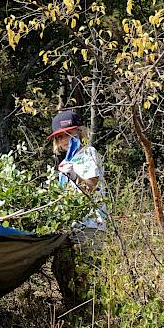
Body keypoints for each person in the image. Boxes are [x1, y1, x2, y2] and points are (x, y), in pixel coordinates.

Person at [46, 109, 108, 307]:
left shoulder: (88, 153)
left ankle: (90, 313)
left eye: (70, 134)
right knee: (61, 268)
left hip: (90, 224)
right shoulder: (65, 162)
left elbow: (91, 186)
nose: (65, 139)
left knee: (85, 274)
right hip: (71, 226)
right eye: (61, 136)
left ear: (79, 133)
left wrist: (74, 176)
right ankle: (74, 308)